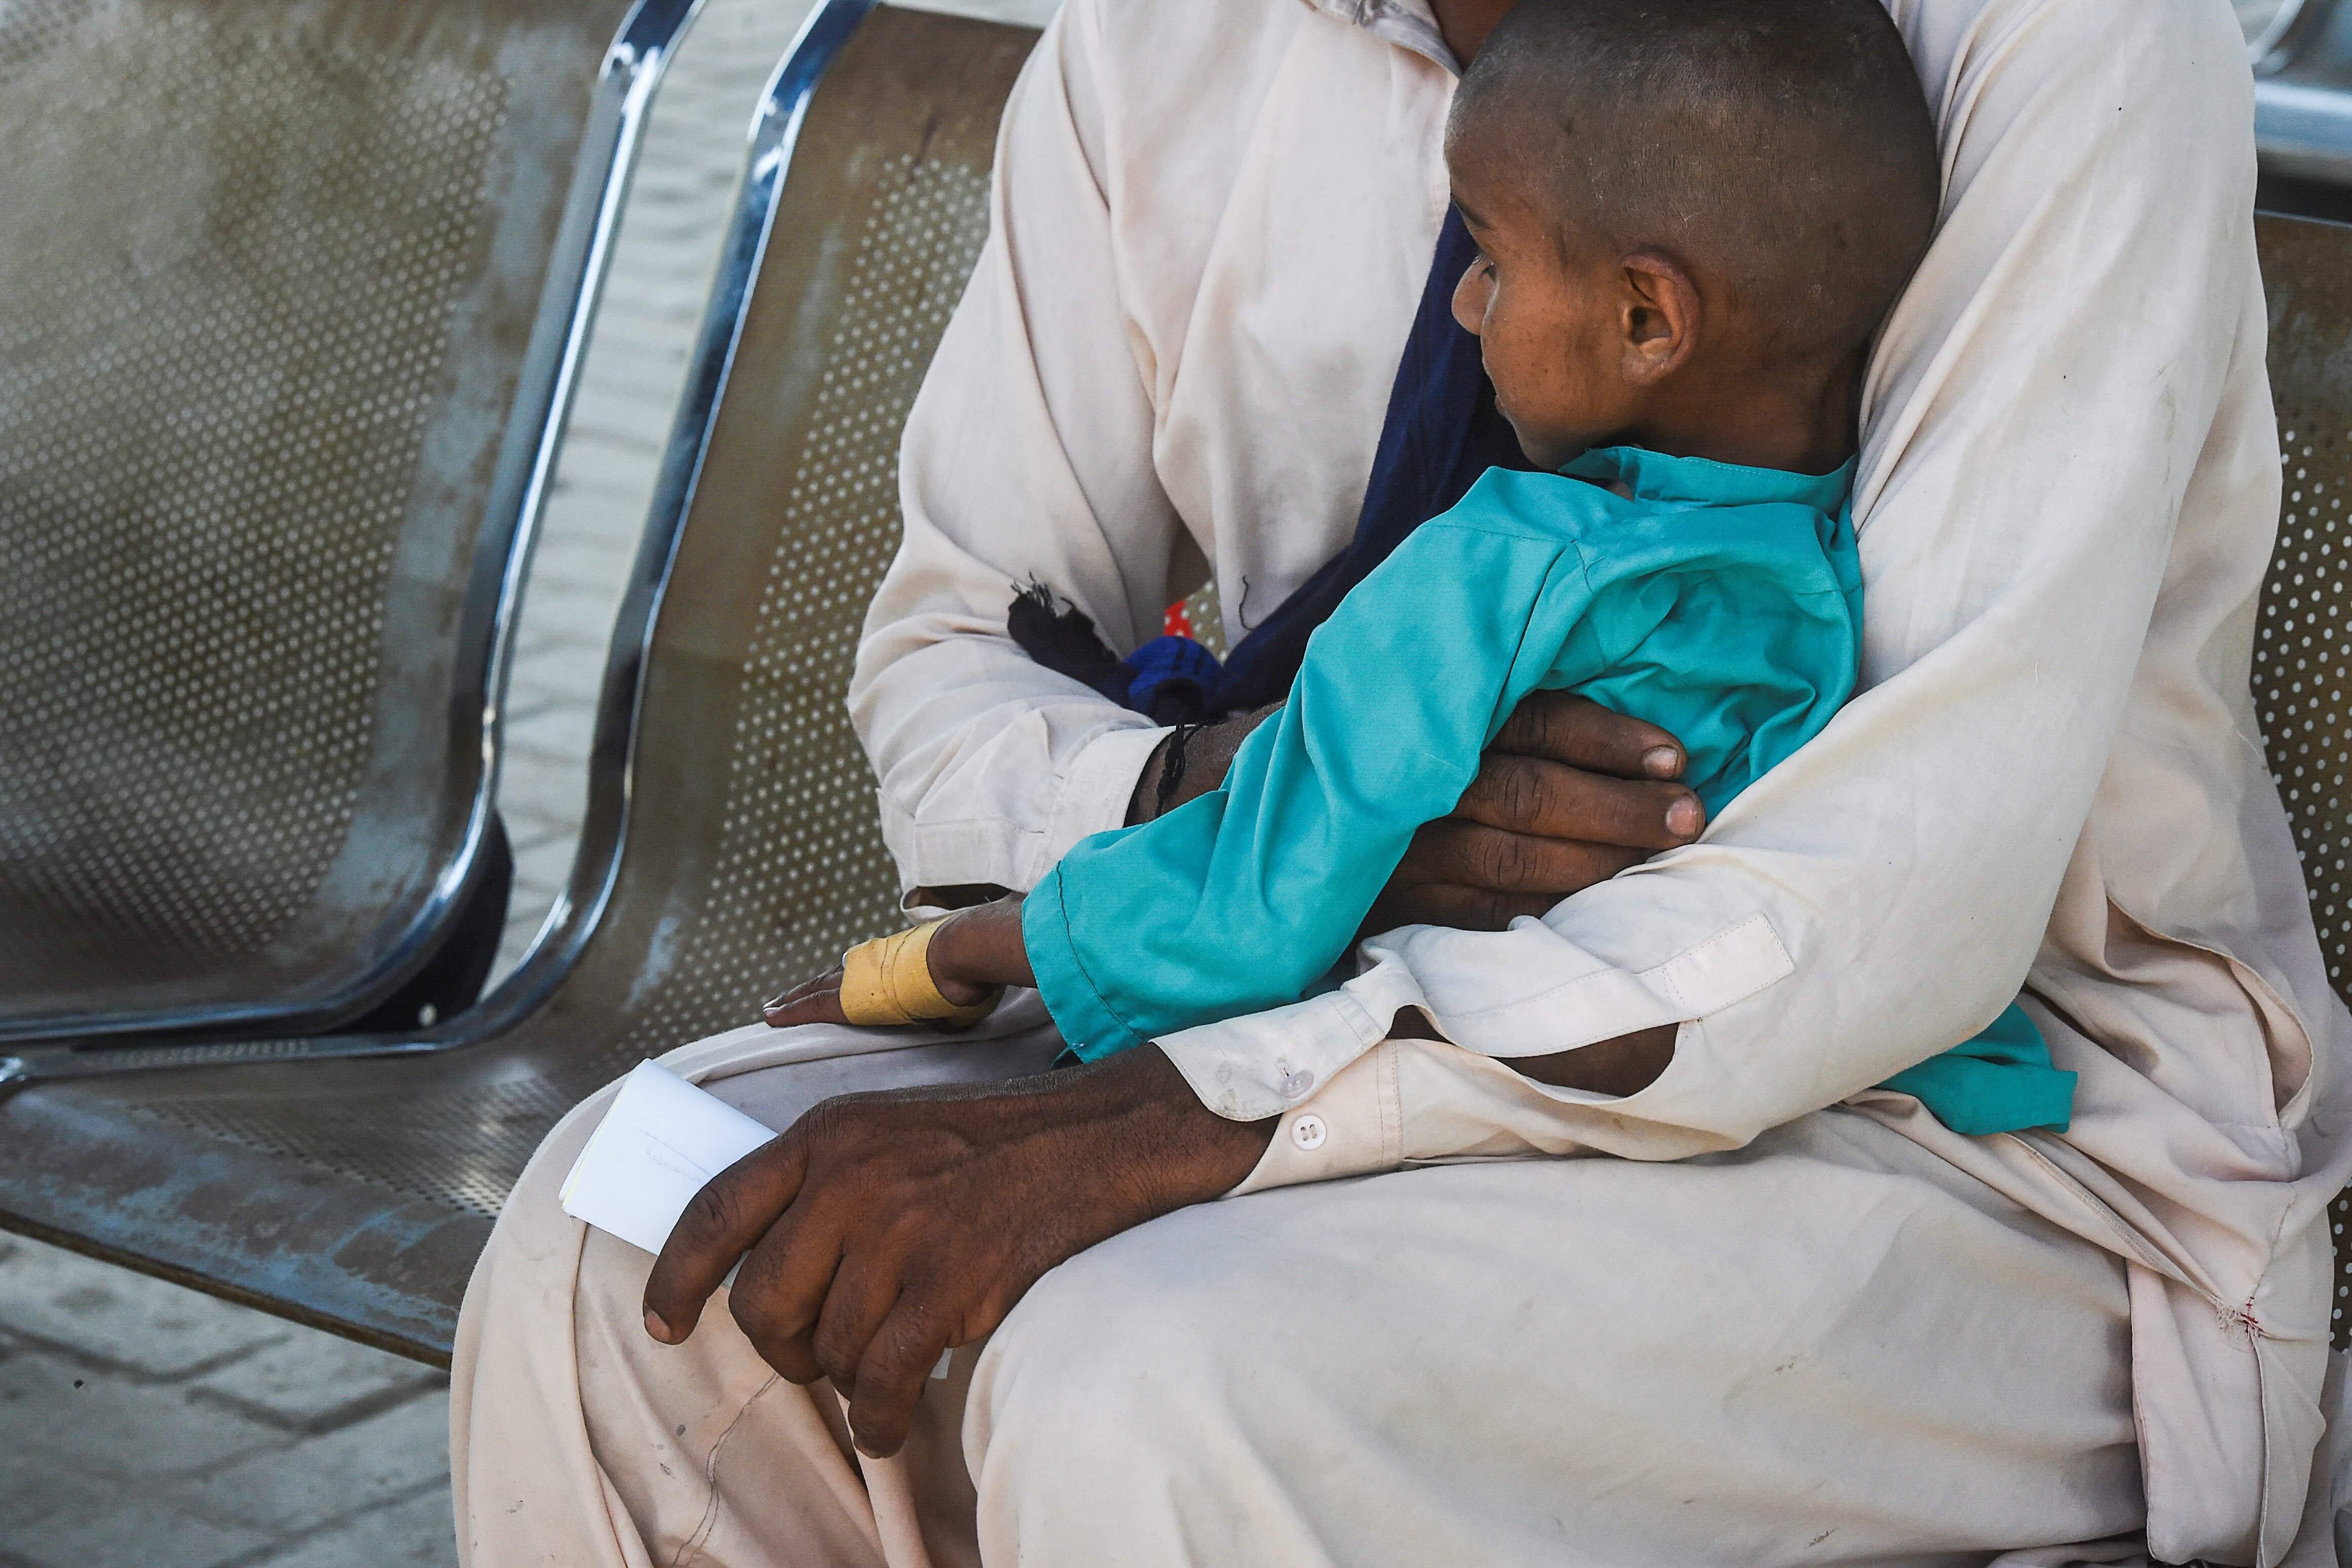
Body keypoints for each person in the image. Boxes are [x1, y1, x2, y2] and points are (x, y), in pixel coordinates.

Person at [452, 0, 2352, 1563]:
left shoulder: (2071, 33)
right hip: (1272, 973)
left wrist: (1188, 1109)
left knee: (1149, 1380)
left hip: (1978, 1125)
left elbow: (1890, 891)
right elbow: (955, 644)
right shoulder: (1157, 43)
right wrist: (1249, 801)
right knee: (621, 1237)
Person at [768, 0, 2078, 1147]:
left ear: (1646, 320)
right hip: (1870, 1081)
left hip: (1494, 1075)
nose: (1468, 302)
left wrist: (945, 957)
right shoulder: (1821, 568)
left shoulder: (1491, 573)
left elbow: (1248, 907)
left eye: (1492, 264)